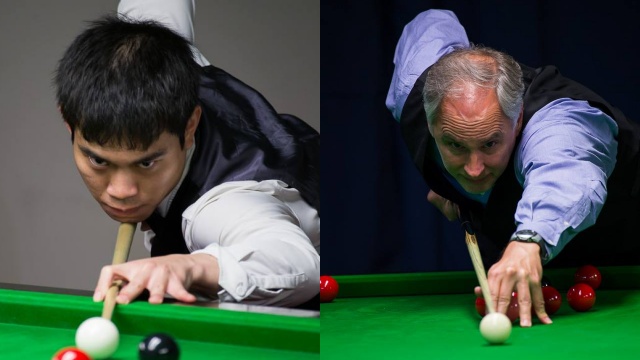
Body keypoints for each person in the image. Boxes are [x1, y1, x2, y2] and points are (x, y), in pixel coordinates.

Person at [54, 0, 320, 309]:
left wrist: (188, 266)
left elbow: (298, 264)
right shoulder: (152, 49)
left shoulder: (225, 203)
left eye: (147, 162)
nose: (121, 191)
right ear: (69, 123)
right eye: (99, 161)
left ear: (189, 126)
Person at [386, 9, 640, 326]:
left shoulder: (561, 124)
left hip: (623, 242)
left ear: (517, 119)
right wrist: (445, 179)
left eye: (490, 144)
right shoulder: (414, 89)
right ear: (429, 121)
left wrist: (529, 240)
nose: (474, 169)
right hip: (513, 251)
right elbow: (432, 22)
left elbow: (567, 174)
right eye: (455, 145)